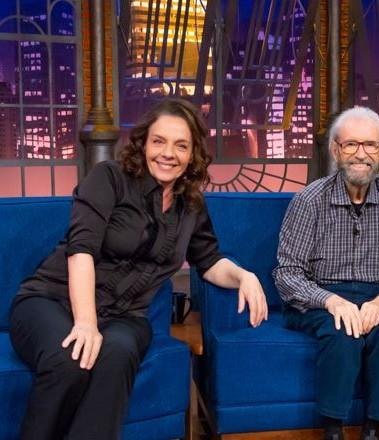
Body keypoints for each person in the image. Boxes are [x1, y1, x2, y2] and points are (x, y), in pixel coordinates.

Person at [9, 98, 268, 440]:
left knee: (116, 354)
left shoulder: (190, 203)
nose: (168, 153)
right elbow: (81, 249)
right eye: (159, 141)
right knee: (69, 359)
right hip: (50, 301)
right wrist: (86, 323)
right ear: (144, 143)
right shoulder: (110, 178)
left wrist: (244, 275)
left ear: (192, 155)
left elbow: (209, 261)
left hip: (125, 316)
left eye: (181, 145)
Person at [273, 107, 379, 440]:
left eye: (370, 145)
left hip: (377, 294)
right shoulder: (309, 200)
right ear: (335, 150)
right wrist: (330, 301)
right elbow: (288, 273)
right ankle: (333, 430)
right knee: (343, 332)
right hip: (319, 298)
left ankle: (374, 429)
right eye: (351, 144)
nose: (361, 154)